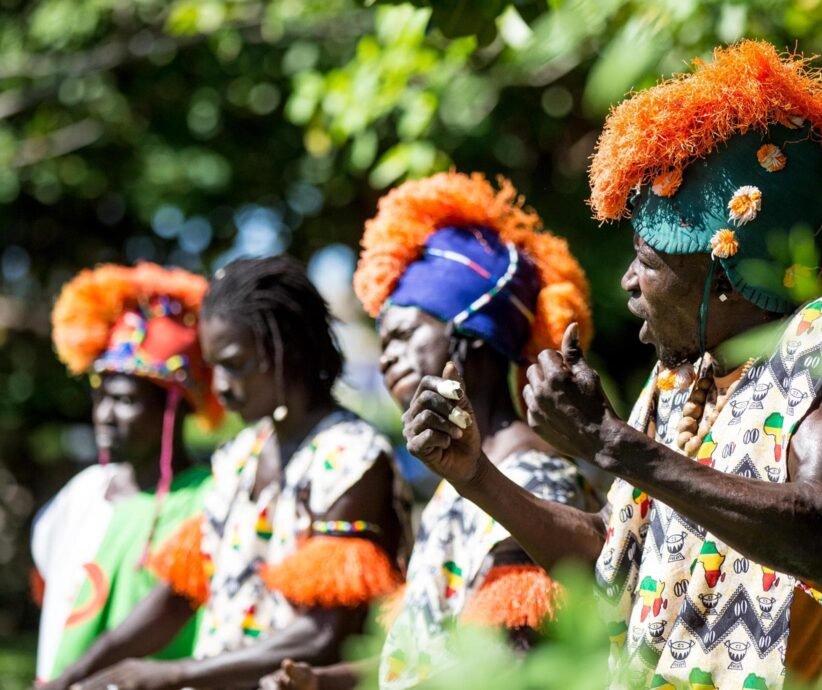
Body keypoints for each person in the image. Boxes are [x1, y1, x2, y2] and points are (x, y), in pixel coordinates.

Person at [402, 42, 822, 689]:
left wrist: (613, 444)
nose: (630, 281)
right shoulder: (681, 380)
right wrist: (474, 474)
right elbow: (611, 557)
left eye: (650, 259)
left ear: (725, 268)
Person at [260, 171, 599, 690]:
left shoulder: (531, 475)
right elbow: (426, 653)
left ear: (471, 339)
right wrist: (322, 681)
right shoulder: (457, 479)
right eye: (383, 339)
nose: (388, 353)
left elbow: (508, 662)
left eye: (405, 333)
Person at [50, 255, 407, 690]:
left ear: (286, 351)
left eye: (234, 363)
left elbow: (322, 634)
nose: (218, 385)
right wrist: (74, 674)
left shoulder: (352, 459)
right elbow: (178, 596)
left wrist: (172, 674)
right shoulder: (241, 455)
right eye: (213, 364)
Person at [35, 262, 223, 684]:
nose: (104, 415)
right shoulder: (83, 492)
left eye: (124, 401)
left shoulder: (210, 497)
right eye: (100, 396)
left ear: (171, 409)